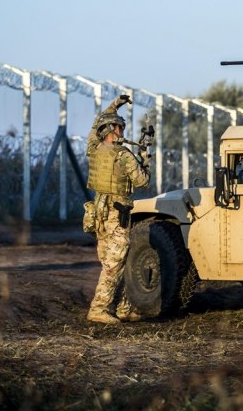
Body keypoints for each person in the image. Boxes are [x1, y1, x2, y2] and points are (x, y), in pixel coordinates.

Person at [86, 95, 151, 324]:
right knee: (115, 262)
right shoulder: (123, 155)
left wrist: (114, 105)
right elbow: (142, 181)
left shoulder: (94, 148)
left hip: (98, 212)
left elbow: (95, 125)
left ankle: (123, 308)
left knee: (114, 260)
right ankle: (99, 308)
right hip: (116, 212)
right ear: (112, 129)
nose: (122, 131)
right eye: (120, 127)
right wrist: (145, 159)